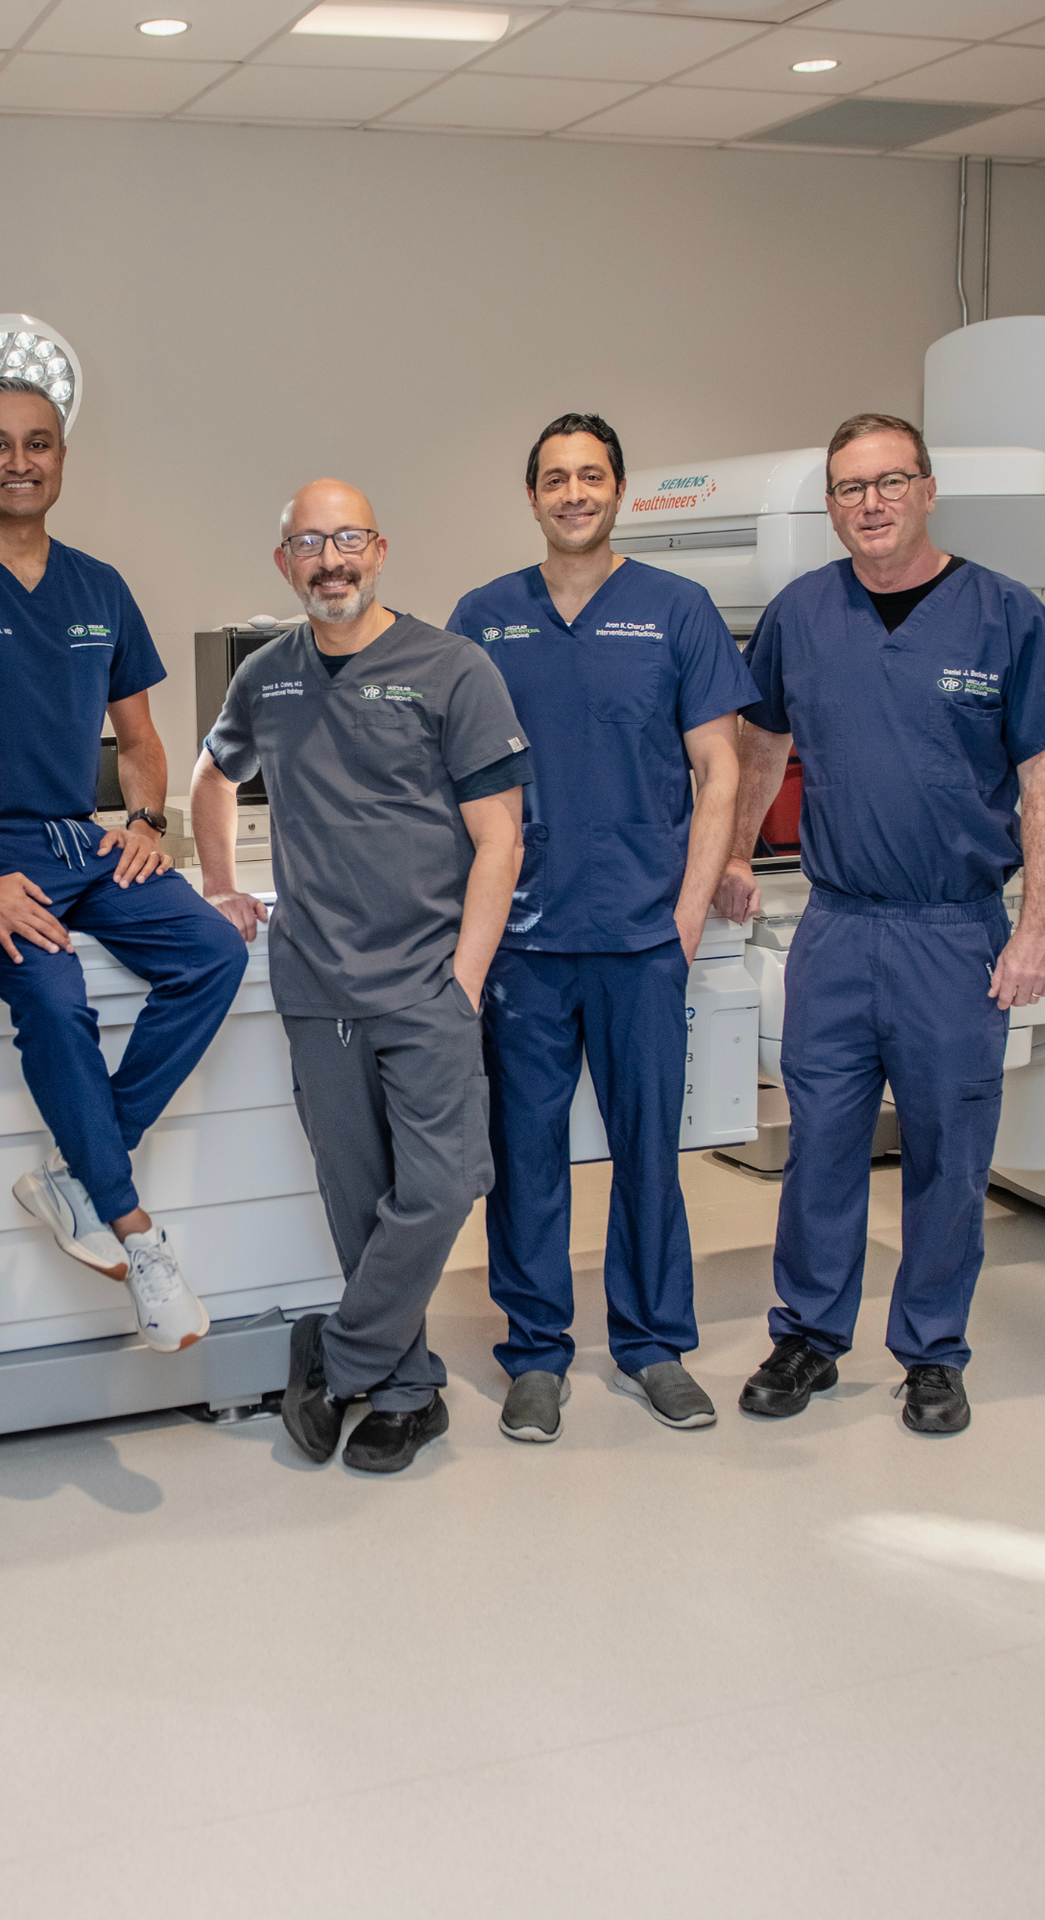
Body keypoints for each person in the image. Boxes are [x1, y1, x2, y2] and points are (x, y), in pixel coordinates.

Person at [716, 412, 1045, 1435]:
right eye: (850, 487)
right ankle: (808, 1335)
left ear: (927, 490)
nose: (871, 503)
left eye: (890, 482)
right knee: (822, 1148)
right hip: (837, 929)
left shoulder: (1004, 615)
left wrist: (1037, 928)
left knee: (948, 1155)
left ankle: (932, 1352)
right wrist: (737, 852)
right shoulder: (802, 614)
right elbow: (761, 744)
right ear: (831, 506)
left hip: (954, 932)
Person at [0, 377, 247, 1353]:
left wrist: (144, 821)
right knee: (52, 994)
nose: (20, 462)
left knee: (214, 953)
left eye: (37, 443)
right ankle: (136, 1233)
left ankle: (78, 1168)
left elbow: (142, 739)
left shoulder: (99, 587)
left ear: (61, 458)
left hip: (76, 839)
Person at [191, 479, 528, 1473]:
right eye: (309, 543)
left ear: (379, 550)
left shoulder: (452, 669)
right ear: (283, 562)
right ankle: (407, 1390)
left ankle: (336, 1356)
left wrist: (464, 981)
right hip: (315, 983)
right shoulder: (266, 677)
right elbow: (211, 774)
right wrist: (219, 884)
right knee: (359, 1200)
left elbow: (501, 838)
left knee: (443, 1186)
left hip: (426, 984)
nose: (330, 560)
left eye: (348, 540)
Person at [447, 413, 755, 1444]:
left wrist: (684, 916)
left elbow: (718, 771)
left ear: (619, 489)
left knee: (649, 1153)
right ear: (531, 496)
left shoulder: (677, 610)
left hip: (640, 939)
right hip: (524, 946)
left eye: (591, 475)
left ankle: (654, 1345)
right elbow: (452, 778)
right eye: (555, 478)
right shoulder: (484, 617)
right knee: (523, 1157)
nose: (573, 492)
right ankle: (536, 1353)